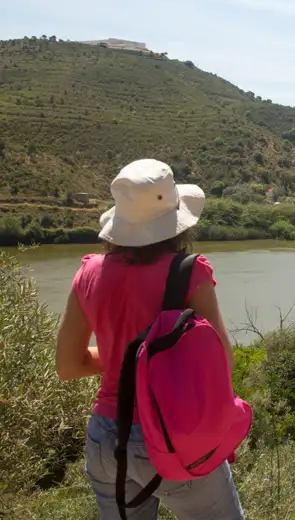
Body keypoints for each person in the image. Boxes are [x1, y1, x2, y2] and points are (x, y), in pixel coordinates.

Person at [55, 159, 244, 519]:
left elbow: (68, 365)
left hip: (107, 440)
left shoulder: (88, 272)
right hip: (175, 437)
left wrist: (122, 359)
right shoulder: (189, 271)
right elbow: (224, 363)